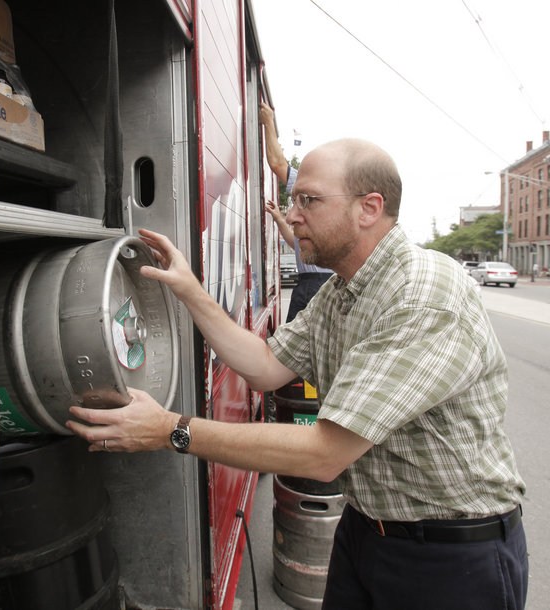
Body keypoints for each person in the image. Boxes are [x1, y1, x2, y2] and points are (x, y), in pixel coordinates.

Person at [66, 138, 528, 608]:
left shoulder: (422, 294)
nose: (291, 215)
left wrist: (172, 431)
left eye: (308, 199)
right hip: (367, 531)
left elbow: (325, 453)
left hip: (451, 559)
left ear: (369, 208)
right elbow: (265, 367)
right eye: (293, 200)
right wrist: (189, 290)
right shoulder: (339, 293)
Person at [260, 101, 333, 321]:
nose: (293, 216)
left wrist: (269, 123)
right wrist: (279, 219)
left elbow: (276, 162)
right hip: (315, 282)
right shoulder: (326, 205)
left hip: (314, 285)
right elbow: (297, 244)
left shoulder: (314, 187)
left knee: (293, 351)